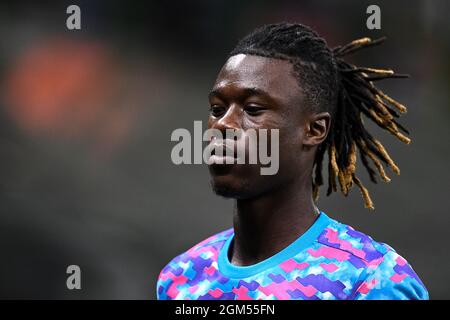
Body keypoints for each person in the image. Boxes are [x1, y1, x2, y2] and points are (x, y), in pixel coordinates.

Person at [156, 23, 428, 300]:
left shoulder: (370, 280)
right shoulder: (181, 277)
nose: (223, 124)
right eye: (217, 109)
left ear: (314, 130)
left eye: (252, 109)